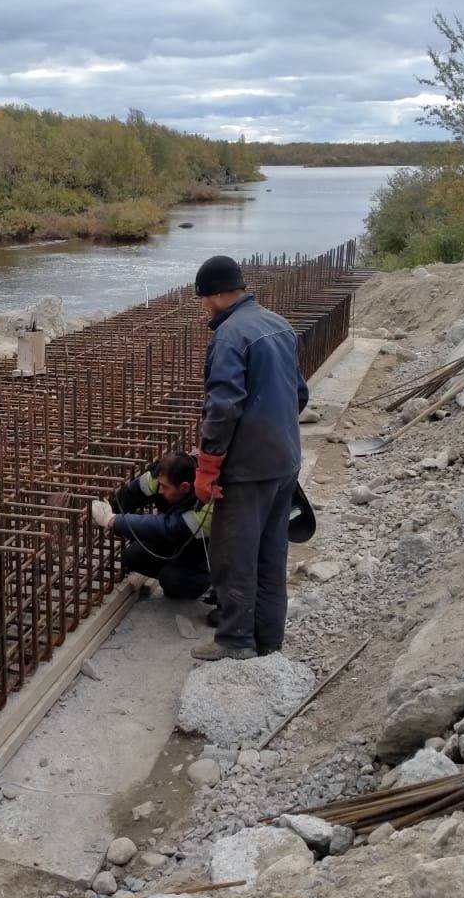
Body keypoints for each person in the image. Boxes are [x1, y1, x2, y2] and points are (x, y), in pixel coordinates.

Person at [188, 255, 309, 662]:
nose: (204, 306)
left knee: (235, 556)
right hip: (285, 462)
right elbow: (299, 395)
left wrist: (208, 466)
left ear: (221, 294)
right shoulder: (278, 324)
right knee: (272, 554)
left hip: (247, 470)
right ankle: (269, 640)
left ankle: (236, 642)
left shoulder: (230, 336)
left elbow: (222, 408)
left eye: (205, 298)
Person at [91, 452, 212, 599]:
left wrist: (113, 520)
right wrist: (108, 508)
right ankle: (174, 571)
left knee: (171, 580)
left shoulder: (207, 504)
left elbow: (167, 527)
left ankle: (208, 587)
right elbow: (131, 495)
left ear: (184, 487)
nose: (160, 490)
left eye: (165, 487)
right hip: (176, 543)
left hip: (204, 557)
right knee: (133, 556)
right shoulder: (163, 475)